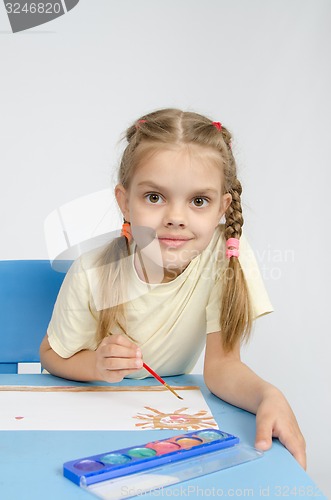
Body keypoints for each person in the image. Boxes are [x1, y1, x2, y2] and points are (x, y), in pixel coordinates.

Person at [40, 108, 306, 469]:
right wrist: (97, 365)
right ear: (124, 201)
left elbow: (222, 365)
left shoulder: (226, 256)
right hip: (90, 422)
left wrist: (267, 396)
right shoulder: (93, 273)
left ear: (221, 208)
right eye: (154, 197)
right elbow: (52, 355)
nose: (176, 217)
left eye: (199, 201)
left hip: (162, 428)